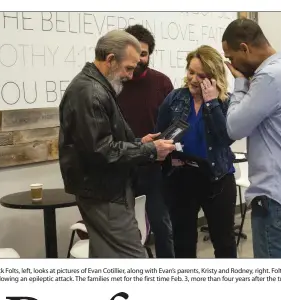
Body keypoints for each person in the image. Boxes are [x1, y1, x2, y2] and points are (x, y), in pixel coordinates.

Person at [58, 30, 176, 258]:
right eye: (128, 68)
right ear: (110, 59)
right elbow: (102, 151)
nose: (131, 76)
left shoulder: (95, 87)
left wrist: (138, 142)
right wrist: (150, 149)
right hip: (105, 193)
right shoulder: (91, 93)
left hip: (104, 190)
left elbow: (102, 141)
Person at [222, 18, 281, 258]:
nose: (231, 64)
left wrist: (240, 83)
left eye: (231, 57)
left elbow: (233, 127)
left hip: (275, 197)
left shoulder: (269, 77)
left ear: (245, 48)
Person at [156, 45, 237, 258]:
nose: (193, 79)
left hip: (217, 178)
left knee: (224, 243)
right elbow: (160, 133)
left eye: (201, 75)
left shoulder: (226, 102)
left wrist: (210, 102)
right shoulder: (175, 98)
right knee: (183, 242)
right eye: (190, 72)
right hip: (182, 178)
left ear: (213, 77)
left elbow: (226, 137)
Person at [117, 24, 175, 258]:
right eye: (135, 53)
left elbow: (174, 125)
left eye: (144, 53)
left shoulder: (162, 83)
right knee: (127, 231)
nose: (140, 59)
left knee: (162, 226)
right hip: (122, 167)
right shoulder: (113, 84)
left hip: (156, 169)